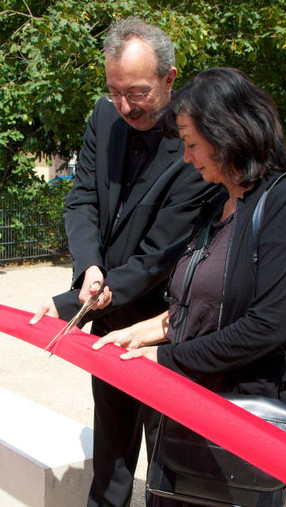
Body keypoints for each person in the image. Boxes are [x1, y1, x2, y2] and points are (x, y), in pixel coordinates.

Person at [93, 67, 286, 506]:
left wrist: (164, 358)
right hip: (185, 415)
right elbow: (196, 303)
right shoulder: (215, 202)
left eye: (192, 144)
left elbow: (266, 327)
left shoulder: (284, 203)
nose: (186, 158)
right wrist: (145, 330)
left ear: (228, 134)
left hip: (238, 426)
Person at [31, 18, 219, 507]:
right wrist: (88, 267)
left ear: (170, 79)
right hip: (108, 311)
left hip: (165, 325)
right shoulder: (104, 117)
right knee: (111, 461)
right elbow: (82, 203)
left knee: (168, 468)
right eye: (114, 91)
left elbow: (163, 250)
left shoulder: (196, 140)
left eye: (136, 93)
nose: (124, 106)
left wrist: (81, 298)